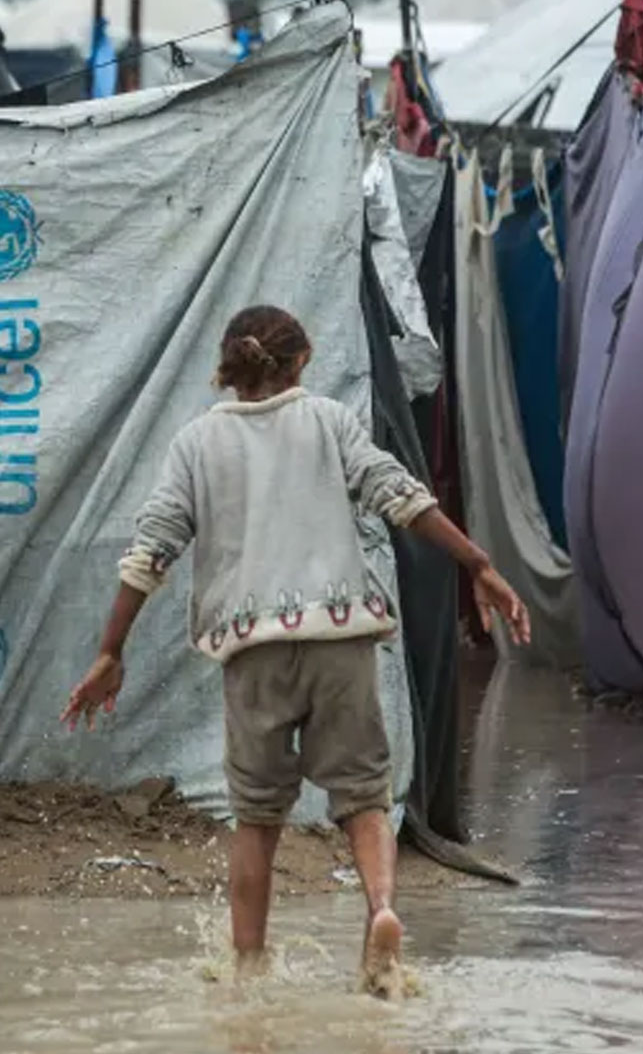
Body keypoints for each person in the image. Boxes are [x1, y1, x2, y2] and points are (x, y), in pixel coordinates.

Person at [61, 305, 529, 995]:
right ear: (301, 362)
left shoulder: (195, 444)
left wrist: (110, 651)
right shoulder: (329, 422)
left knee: (256, 820)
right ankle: (382, 913)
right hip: (340, 642)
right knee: (365, 799)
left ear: (229, 368)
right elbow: (402, 498)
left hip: (254, 654)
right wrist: (479, 563)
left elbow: (149, 554)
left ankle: (247, 974)